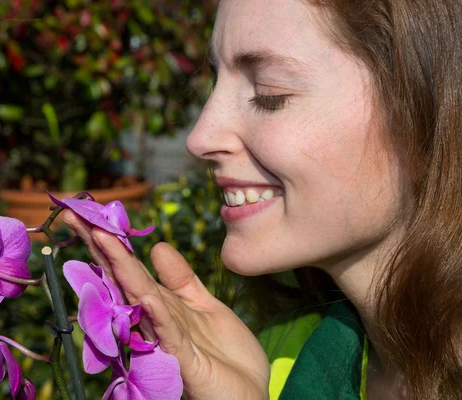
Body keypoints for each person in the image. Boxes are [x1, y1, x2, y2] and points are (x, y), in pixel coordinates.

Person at [62, 0, 462, 398]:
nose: (200, 137)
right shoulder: (278, 359)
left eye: (270, 93)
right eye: (215, 84)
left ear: (423, 115)